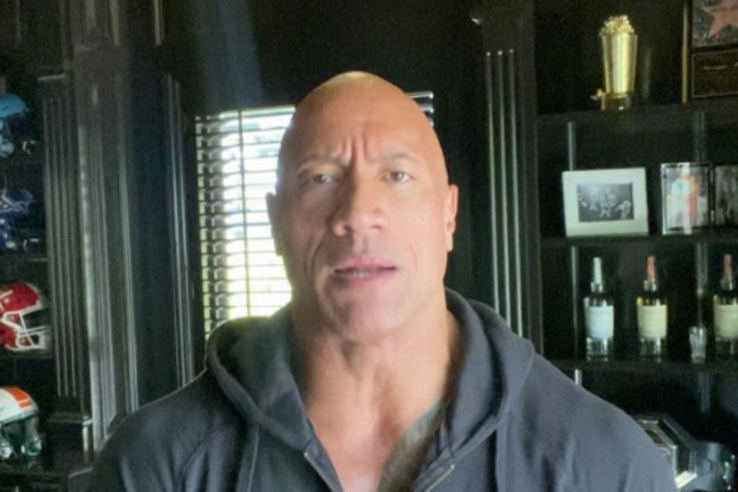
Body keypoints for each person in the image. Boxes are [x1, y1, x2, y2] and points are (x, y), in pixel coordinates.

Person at [88, 72, 678, 492]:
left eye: (396, 175)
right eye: (321, 178)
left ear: (448, 214)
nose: (357, 214)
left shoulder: (604, 464)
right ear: (275, 223)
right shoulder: (156, 465)